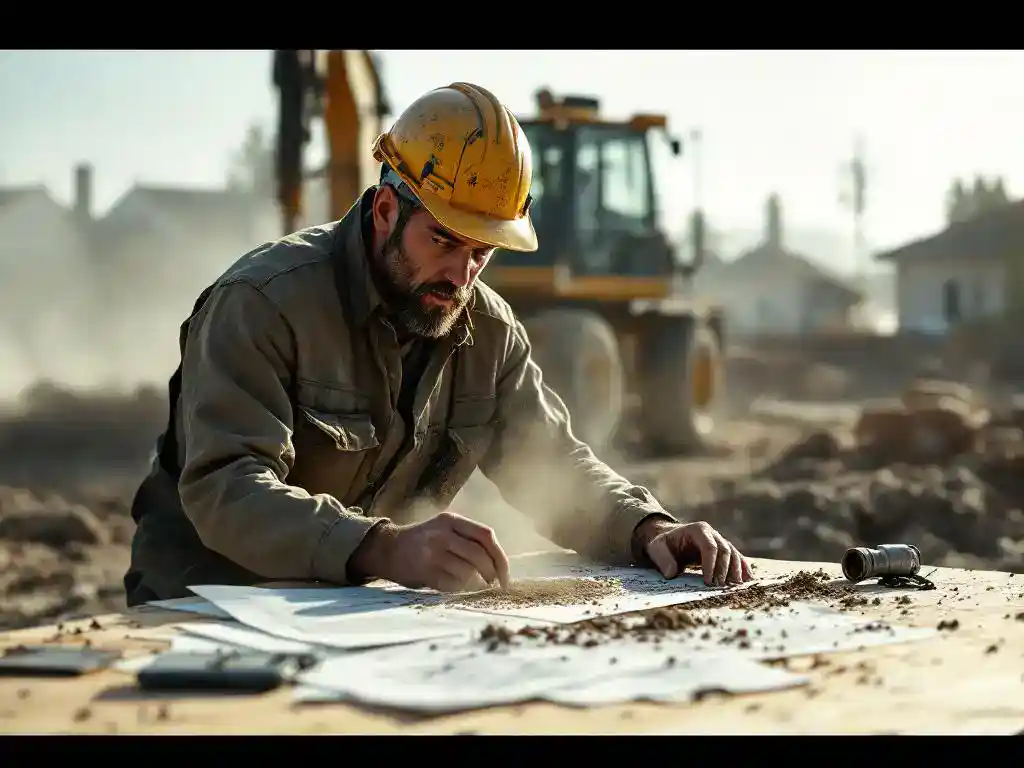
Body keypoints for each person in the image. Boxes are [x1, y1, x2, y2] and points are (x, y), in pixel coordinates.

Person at [123, 82, 752, 607]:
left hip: (350, 611)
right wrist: (385, 547)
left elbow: (556, 465)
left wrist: (646, 528)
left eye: (481, 253)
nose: (462, 274)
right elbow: (225, 488)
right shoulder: (262, 303)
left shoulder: (490, 333)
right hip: (205, 607)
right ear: (385, 212)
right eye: (444, 242)